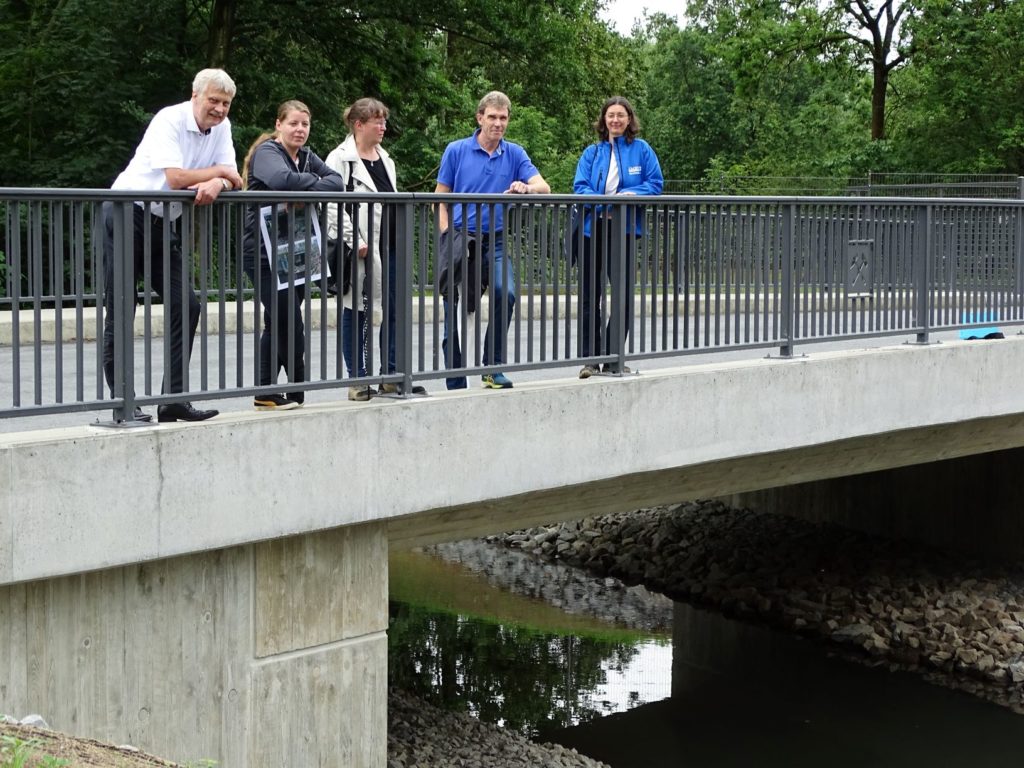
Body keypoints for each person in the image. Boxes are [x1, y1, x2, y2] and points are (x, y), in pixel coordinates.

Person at [103, 68, 241, 423]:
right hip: (126, 212)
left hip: (164, 222)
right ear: (195, 95)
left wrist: (220, 184)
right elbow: (175, 178)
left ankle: (173, 399)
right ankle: (123, 404)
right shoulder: (170, 119)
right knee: (122, 305)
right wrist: (216, 174)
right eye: (214, 100)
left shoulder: (222, 128)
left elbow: (235, 176)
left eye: (225, 103)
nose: (220, 109)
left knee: (187, 304)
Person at [434, 91, 550, 390]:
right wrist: (446, 234)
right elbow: (440, 198)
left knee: (506, 292)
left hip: (494, 241)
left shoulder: (514, 153)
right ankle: (456, 380)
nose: (498, 123)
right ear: (479, 118)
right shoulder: (457, 150)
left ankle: (492, 367)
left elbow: (544, 187)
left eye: (503, 118)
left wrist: (527, 188)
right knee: (454, 310)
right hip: (460, 238)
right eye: (492, 117)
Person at [242, 100, 344, 410]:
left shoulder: (307, 157)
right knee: (288, 319)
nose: (300, 129)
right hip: (262, 251)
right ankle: (296, 384)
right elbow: (280, 181)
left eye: (305, 124)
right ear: (279, 125)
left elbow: (337, 182)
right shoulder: (267, 153)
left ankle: (265, 391)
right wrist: (312, 185)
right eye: (293, 123)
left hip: (296, 249)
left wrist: (303, 189)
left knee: (277, 321)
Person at [325, 98, 425, 401]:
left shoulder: (385, 158)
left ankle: (391, 376)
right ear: (359, 124)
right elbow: (331, 204)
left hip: (390, 246)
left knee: (395, 309)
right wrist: (354, 239)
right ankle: (358, 380)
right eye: (377, 122)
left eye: (383, 121)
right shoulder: (340, 158)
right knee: (355, 309)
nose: (383, 127)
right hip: (362, 249)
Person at [572, 96, 663, 378]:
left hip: (622, 230)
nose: (615, 120)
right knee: (590, 296)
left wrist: (632, 195)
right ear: (604, 120)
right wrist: (606, 202)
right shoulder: (592, 153)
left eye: (620, 115)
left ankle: (613, 359)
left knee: (622, 296)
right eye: (610, 115)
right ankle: (590, 360)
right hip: (591, 229)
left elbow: (655, 184)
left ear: (629, 120)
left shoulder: (642, 150)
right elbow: (580, 187)